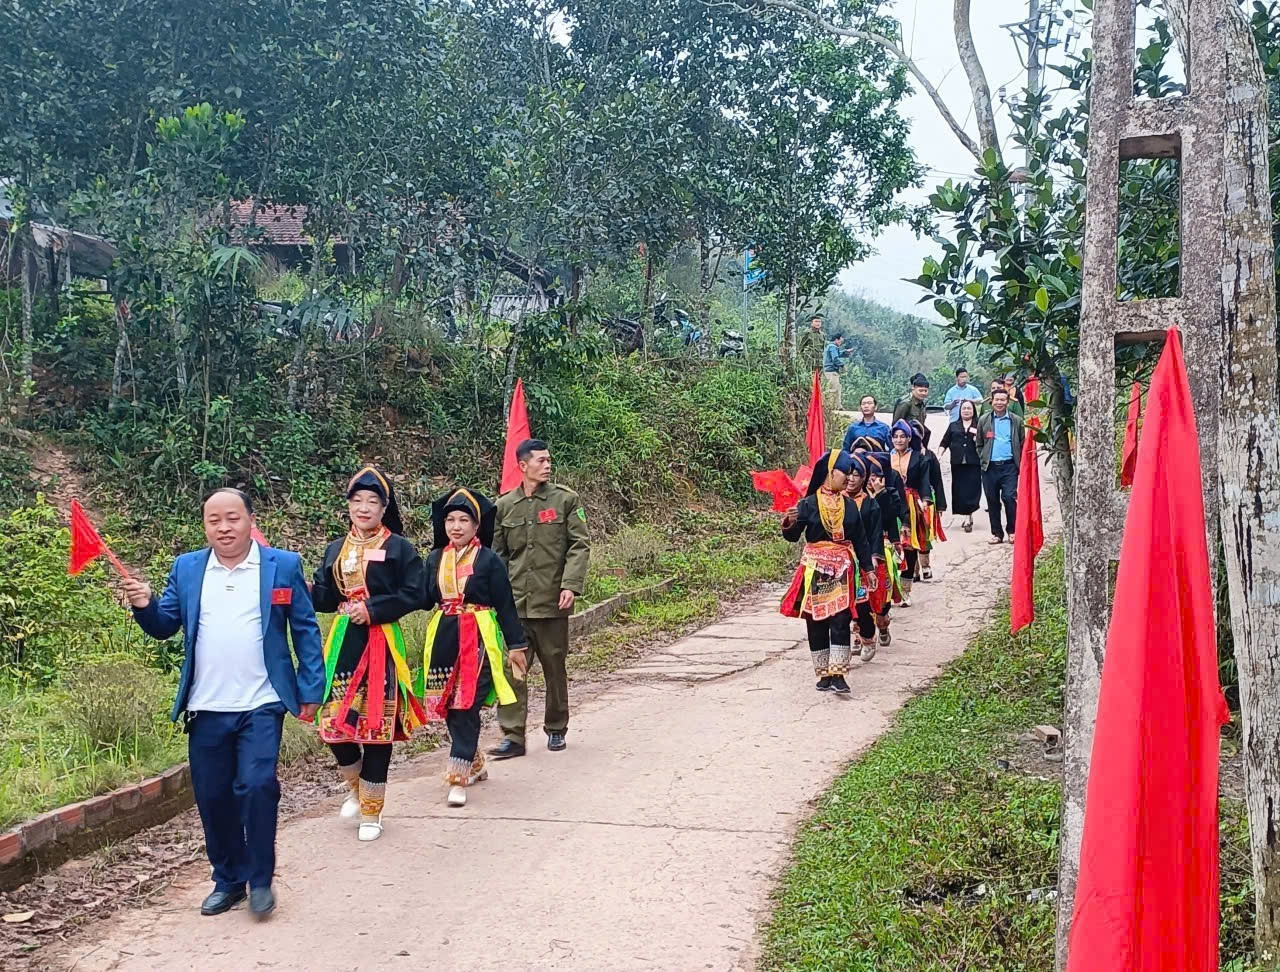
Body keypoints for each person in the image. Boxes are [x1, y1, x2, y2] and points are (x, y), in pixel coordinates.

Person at [121, 488, 323, 920]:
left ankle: (261, 880)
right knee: (213, 797)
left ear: (250, 520)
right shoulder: (189, 568)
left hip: (262, 701)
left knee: (256, 785)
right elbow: (164, 625)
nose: (224, 528)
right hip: (206, 705)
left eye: (232, 518)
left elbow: (305, 631)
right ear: (205, 526)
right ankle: (228, 879)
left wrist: (311, 689)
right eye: (214, 520)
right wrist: (144, 605)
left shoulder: (281, 565)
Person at [310, 466, 428, 841]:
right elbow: (327, 598)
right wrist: (301, 587)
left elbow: (417, 594)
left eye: (372, 502)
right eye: (357, 501)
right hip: (343, 644)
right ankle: (357, 788)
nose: (364, 508)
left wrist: (374, 609)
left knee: (377, 727)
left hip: (381, 643)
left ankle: (372, 813)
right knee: (332, 724)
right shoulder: (335, 549)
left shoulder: (398, 548)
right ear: (348, 506)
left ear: (384, 507)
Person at [420, 488, 526, 807]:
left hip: (477, 636)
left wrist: (516, 644)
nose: (456, 526)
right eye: (450, 520)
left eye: (464, 520)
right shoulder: (436, 558)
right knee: (450, 706)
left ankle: (458, 775)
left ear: (476, 525)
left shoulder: (489, 560)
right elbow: (423, 598)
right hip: (443, 637)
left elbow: (505, 605)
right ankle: (474, 760)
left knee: (467, 704)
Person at [490, 439, 591, 758]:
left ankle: (556, 728)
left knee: (554, 666)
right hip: (516, 604)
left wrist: (570, 585)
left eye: (549, 460)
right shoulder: (504, 506)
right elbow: (498, 556)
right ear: (523, 466)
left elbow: (579, 545)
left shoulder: (565, 500)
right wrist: (495, 594)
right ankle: (513, 736)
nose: (547, 465)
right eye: (541, 461)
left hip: (551, 601)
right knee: (514, 669)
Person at [780, 450, 876, 694]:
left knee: (842, 619)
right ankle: (823, 675)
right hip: (815, 568)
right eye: (845, 473)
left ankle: (839, 674)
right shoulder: (808, 504)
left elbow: (861, 539)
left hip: (842, 568)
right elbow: (792, 537)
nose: (848, 478)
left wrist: (868, 568)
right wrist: (789, 522)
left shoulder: (848, 506)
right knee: (816, 621)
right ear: (831, 473)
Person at [841, 454, 883, 662]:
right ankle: (850, 640)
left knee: (861, 604)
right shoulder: (835, 501)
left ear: (864, 478)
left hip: (861, 560)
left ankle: (867, 636)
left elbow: (875, 533)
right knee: (841, 606)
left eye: (856, 475)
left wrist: (872, 558)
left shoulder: (870, 504)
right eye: (847, 474)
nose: (850, 479)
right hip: (839, 561)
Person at [888, 420, 934, 605]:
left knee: (909, 545)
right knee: (890, 545)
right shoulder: (886, 458)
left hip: (910, 504)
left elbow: (924, 481)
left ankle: (905, 591)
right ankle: (890, 589)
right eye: (895, 436)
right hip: (890, 504)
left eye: (902, 436)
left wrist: (924, 500)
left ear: (909, 438)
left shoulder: (919, 458)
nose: (899, 440)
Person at [864, 454, 907, 646]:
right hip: (862, 548)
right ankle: (861, 633)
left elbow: (891, 517)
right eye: (869, 475)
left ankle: (882, 622)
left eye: (876, 475)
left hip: (883, 547)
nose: (872, 479)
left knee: (883, 594)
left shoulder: (890, 493)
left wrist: (881, 494)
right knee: (861, 594)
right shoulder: (855, 496)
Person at [977, 387, 1025, 544]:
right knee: (992, 500)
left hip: (1010, 466)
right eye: (996, 399)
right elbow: (979, 443)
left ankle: (1012, 530)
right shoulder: (984, 420)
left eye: (1002, 400)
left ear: (1007, 401)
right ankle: (997, 533)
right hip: (989, 467)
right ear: (992, 401)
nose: (999, 402)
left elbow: (1022, 442)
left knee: (1009, 497)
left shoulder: (1016, 421)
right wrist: (983, 458)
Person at [939, 399, 982, 532]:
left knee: (972, 490)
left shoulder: (979, 424)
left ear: (973, 410)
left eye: (969, 408)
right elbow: (944, 442)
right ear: (960, 410)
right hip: (957, 463)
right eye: (964, 408)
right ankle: (966, 515)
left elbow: (989, 438)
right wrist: (939, 455)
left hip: (973, 463)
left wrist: (979, 440)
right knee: (959, 490)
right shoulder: (953, 426)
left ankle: (968, 515)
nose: (966, 411)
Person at [892, 374, 931, 444]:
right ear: (913, 388)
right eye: (921, 391)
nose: (923, 393)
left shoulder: (922, 404)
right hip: (905, 441)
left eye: (925, 391)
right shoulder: (905, 403)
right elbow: (896, 424)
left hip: (918, 439)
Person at [821, 333, 853, 408]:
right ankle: (831, 406)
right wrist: (842, 365)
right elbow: (835, 358)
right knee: (833, 389)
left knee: (837, 388)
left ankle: (837, 406)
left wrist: (846, 352)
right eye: (840, 341)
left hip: (830, 371)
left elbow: (838, 354)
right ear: (836, 340)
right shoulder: (832, 347)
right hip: (831, 371)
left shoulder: (831, 347)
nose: (840, 343)